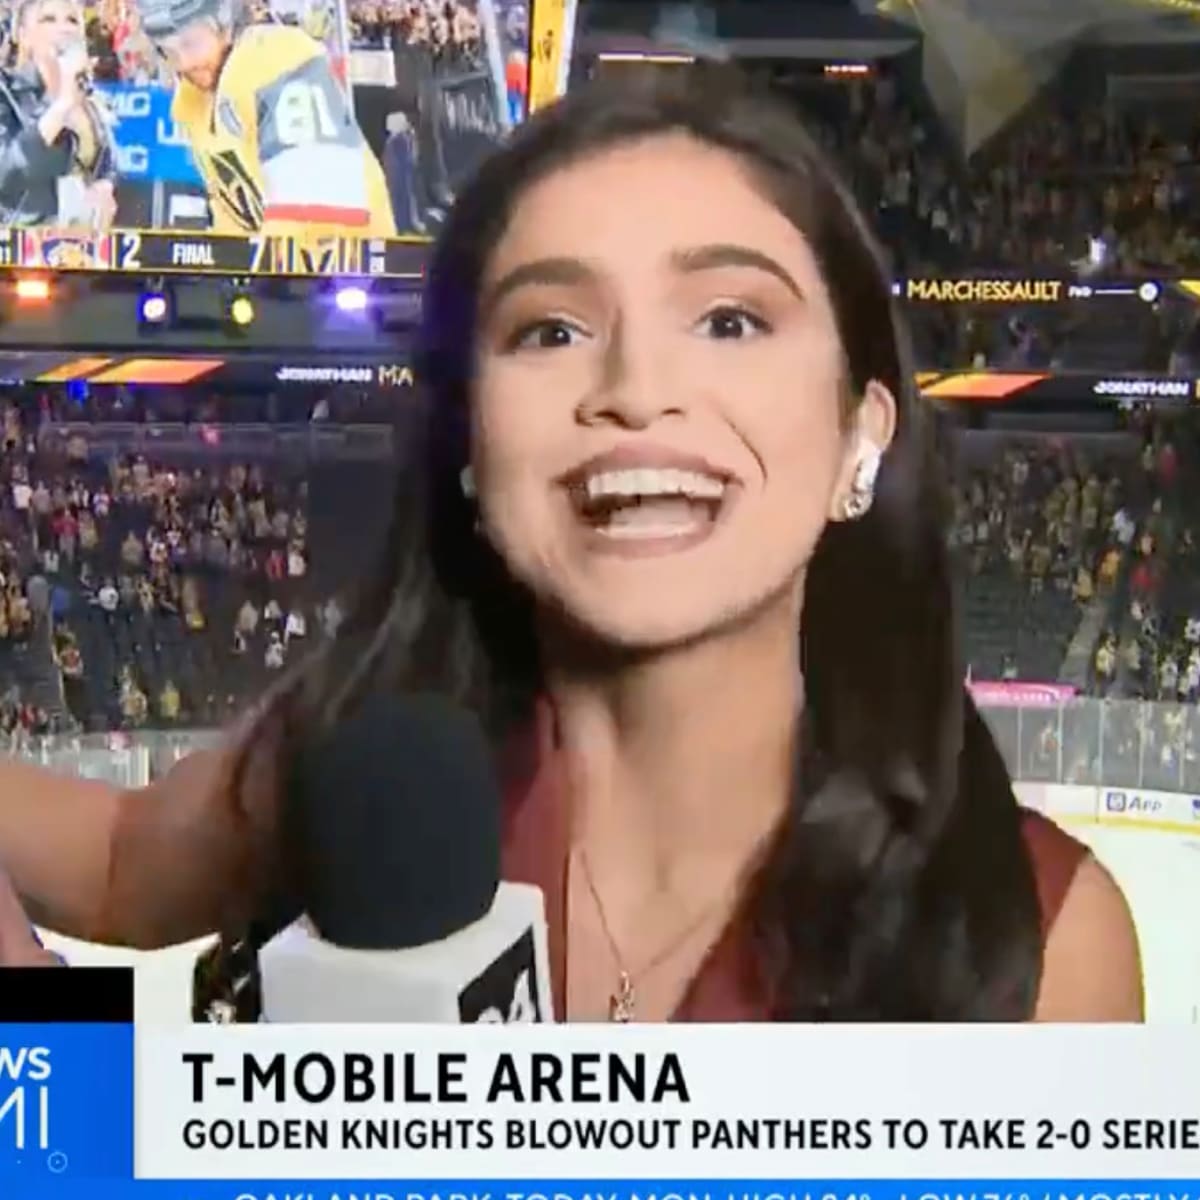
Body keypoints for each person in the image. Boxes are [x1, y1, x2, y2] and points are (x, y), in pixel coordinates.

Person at [0, 68, 1142, 1022]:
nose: (637, 392)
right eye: (550, 329)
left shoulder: (1042, 941)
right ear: (469, 440)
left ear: (861, 431)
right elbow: (113, 864)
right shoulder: (356, 773)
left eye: (730, 319)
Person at [133, 0, 396, 237]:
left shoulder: (279, 58)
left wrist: (264, 276)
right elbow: (234, 222)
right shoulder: (193, 104)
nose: (186, 63)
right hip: (278, 276)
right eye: (170, 51)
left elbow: (318, 210)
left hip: (345, 271)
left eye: (192, 43)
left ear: (223, 21)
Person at [0, 0, 117, 226]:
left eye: (72, 20)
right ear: (23, 36)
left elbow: (107, 166)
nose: (64, 29)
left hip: (80, 249)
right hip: (15, 246)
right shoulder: (5, 92)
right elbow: (6, 172)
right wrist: (61, 105)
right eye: (48, 19)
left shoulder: (93, 102)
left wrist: (106, 186)